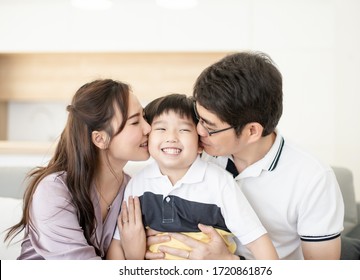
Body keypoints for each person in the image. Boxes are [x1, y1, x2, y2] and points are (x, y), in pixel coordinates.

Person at [146, 51, 345, 260]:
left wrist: (230, 263)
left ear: (252, 131)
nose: (199, 131)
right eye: (198, 118)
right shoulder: (195, 153)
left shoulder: (312, 179)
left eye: (210, 126)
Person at [107, 93, 278, 260]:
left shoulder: (219, 182)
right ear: (147, 138)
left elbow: (257, 241)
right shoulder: (137, 184)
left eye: (183, 129)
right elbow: (119, 243)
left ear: (200, 144)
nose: (171, 137)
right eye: (161, 128)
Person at [4, 79, 151, 259]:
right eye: (135, 122)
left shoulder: (135, 189)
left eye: (144, 117)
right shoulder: (54, 191)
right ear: (100, 139)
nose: (148, 128)